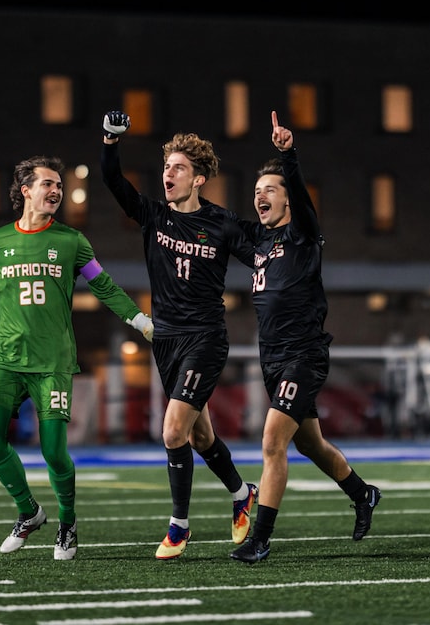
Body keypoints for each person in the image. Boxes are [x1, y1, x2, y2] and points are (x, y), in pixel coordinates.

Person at [0, 155, 154, 561]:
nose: (56, 191)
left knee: (54, 451)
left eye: (59, 185)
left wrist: (140, 320)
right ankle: (29, 512)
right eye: (48, 183)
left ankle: (68, 523)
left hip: (52, 362)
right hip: (5, 358)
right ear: (25, 190)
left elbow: (105, 286)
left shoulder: (72, 242)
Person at [100, 110, 258, 560]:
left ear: (199, 178)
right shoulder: (153, 215)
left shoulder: (223, 223)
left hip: (205, 338)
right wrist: (111, 140)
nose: (169, 174)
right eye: (166, 167)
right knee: (200, 437)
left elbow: (265, 257)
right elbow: (114, 182)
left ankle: (179, 527)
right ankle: (242, 493)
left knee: (172, 432)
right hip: (165, 340)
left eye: (179, 168)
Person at [228, 112, 380, 564]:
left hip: (304, 356)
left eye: (270, 191)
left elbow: (299, 194)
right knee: (309, 442)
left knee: (273, 441)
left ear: (289, 199)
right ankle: (362, 492)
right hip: (272, 359)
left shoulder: (302, 234)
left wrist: (287, 155)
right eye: (256, 192)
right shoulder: (259, 244)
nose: (261, 197)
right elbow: (218, 228)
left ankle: (261, 538)